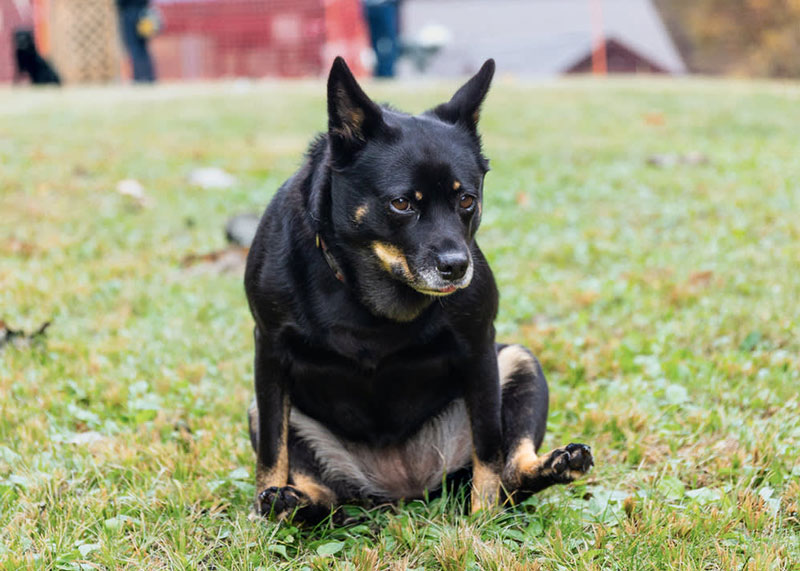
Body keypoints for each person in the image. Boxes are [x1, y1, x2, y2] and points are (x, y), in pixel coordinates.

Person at [116, 0, 156, 82]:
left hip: (129, 14)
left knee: (134, 48)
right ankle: (148, 76)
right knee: (143, 48)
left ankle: (139, 77)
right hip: (142, 13)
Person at [363, 0, 400, 78]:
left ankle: (386, 75)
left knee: (386, 44)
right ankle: (375, 75)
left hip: (385, 5)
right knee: (369, 45)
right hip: (367, 7)